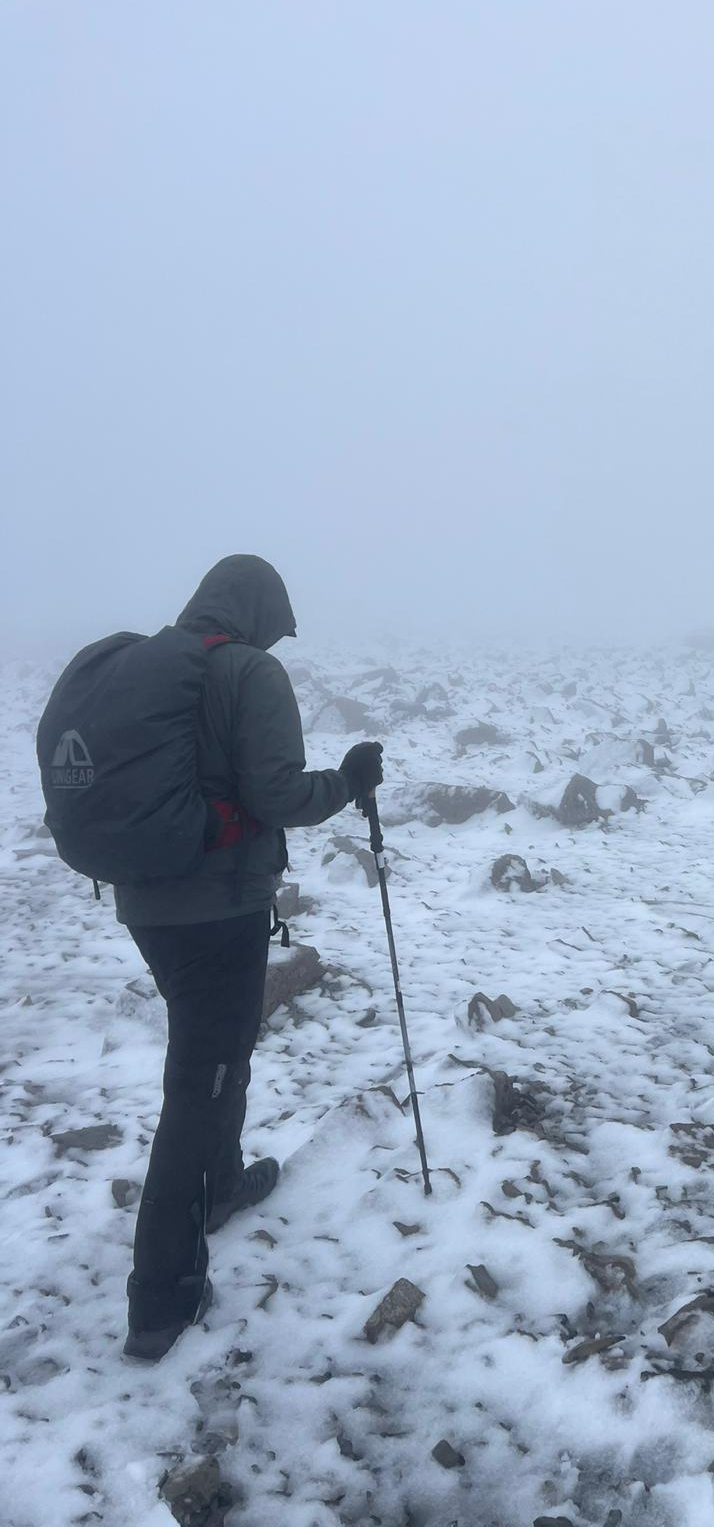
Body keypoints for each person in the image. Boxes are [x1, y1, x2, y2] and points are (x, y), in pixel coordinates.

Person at [116, 554, 384, 1361]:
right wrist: (345, 782)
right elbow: (277, 798)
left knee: (217, 1057)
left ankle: (221, 1188)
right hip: (219, 904)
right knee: (202, 1083)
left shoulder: (150, 669)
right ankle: (161, 1301)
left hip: (149, 903)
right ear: (259, 612)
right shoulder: (247, 672)